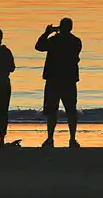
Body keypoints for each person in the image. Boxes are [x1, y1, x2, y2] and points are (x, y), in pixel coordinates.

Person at [35, 17, 82, 148]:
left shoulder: (55, 40)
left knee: (53, 111)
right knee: (70, 111)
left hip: (55, 80)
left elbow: (39, 46)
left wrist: (47, 33)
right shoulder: (75, 41)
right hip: (67, 80)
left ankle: (51, 139)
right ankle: (71, 139)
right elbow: (39, 47)